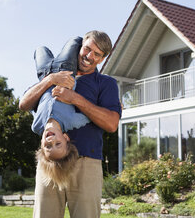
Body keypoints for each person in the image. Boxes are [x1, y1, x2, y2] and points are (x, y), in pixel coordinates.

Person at [19, 30, 121, 218]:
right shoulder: (54, 73)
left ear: (102, 59)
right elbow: (23, 103)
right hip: (49, 161)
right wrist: (50, 80)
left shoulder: (106, 84)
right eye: (87, 49)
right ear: (80, 46)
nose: (89, 56)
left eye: (96, 54)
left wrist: (75, 98)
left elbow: (112, 124)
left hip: (86, 162)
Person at [32, 37, 90, 190]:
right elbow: (90, 115)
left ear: (41, 145)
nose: (51, 140)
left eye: (48, 146)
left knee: (39, 49)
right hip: (66, 68)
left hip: (44, 74)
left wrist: (46, 82)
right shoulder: (72, 121)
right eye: (57, 144)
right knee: (76, 41)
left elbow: (34, 104)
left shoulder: (36, 126)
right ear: (65, 137)